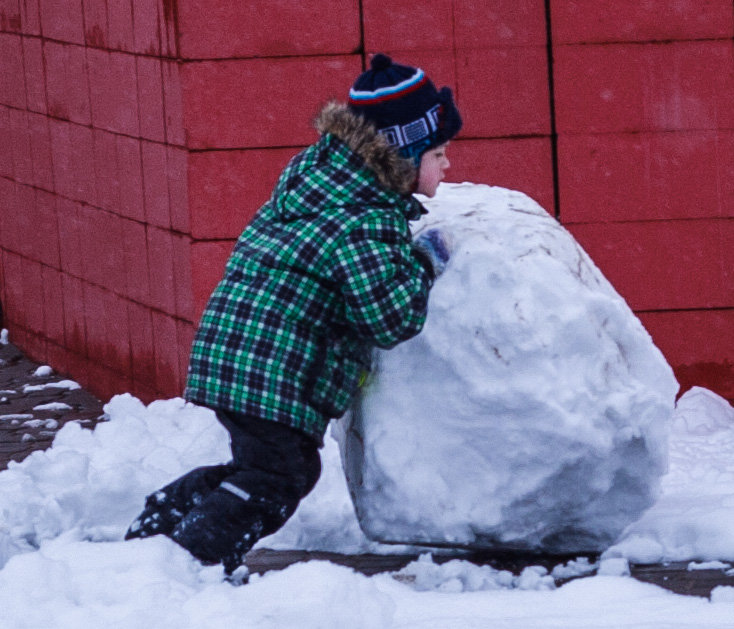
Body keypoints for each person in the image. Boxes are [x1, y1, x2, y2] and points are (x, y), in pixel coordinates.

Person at [124, 53, 462, 579]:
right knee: (278, 477)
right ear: (406, 150)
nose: (448, 166)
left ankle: (161, 529)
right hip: (271, 367)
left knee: (274, 469)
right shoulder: (365, 217)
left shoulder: (323, 180)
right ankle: (189, 561)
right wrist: (425, 261)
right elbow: (389, 320)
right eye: (439, 154)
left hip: (241, 350)